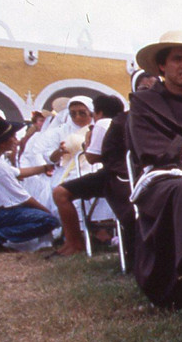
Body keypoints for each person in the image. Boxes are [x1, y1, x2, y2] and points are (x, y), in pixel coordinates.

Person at [127, 31, 182, 308]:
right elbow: (154, 151)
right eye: (178, 58)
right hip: (163, 178)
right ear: (162, 66)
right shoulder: (143, 103)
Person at [47, 95, 126, 256]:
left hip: (111, 174)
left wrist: (87, 143)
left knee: (60, 193)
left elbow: (92, 157)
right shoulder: (125, 122)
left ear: (98, 112)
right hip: (127, 175)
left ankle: (74, 242)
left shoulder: (103, 124)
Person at [0, 115, 60, 250]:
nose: (16, 140)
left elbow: (18, 172)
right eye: (13, 137)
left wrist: (43, 168)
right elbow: (24, 198)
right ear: (2, 143)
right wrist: (48, 212)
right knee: (48, 221)